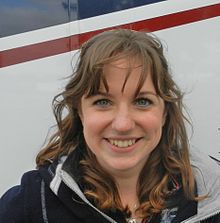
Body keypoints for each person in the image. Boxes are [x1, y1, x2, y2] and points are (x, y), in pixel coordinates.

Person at [0, 29, 220, 223]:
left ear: (164, 113)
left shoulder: (213, 197)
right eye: (103, 102)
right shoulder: (31, 206)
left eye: (142, 101)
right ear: (79, 111)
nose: (123, 124)